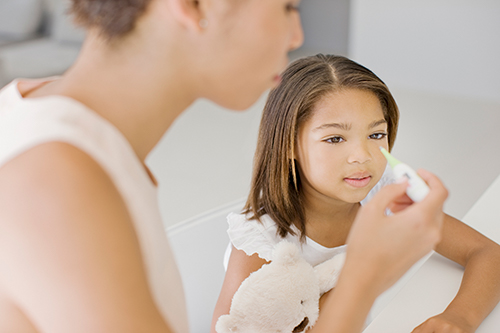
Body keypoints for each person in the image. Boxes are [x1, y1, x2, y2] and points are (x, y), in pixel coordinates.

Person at [0, 0, 448, 332]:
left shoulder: (38, 112)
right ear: (193, 6)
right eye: (287, 7)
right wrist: (363, 276)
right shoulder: (56, 181)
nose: (296, 36)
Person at [212, 54, 500, 333]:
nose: (362, 156)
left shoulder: (383, 193)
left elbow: (487, 253)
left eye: (375, 134)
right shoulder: (260, 244)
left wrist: (460, 318)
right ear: (288, 144)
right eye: (335, 138)